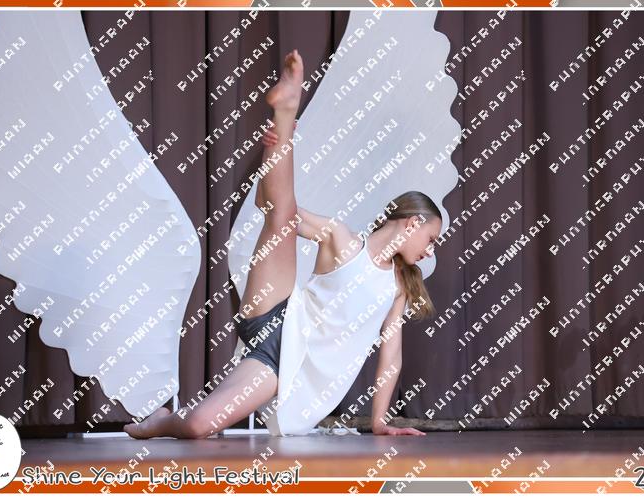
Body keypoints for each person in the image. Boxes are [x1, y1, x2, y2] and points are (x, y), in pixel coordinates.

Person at [124, 49, 438, 439]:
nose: (430, 250)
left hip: (280, 363)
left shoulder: (397, 286)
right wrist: (274, 151)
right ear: (413, 222)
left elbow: (391, 355)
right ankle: (286, 113)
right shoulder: (341, 238)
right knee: (282, 215)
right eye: (431, 238)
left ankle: (163, 420)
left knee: (197, 426)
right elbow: (269, 205)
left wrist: (379, 422)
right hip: (276, 311)